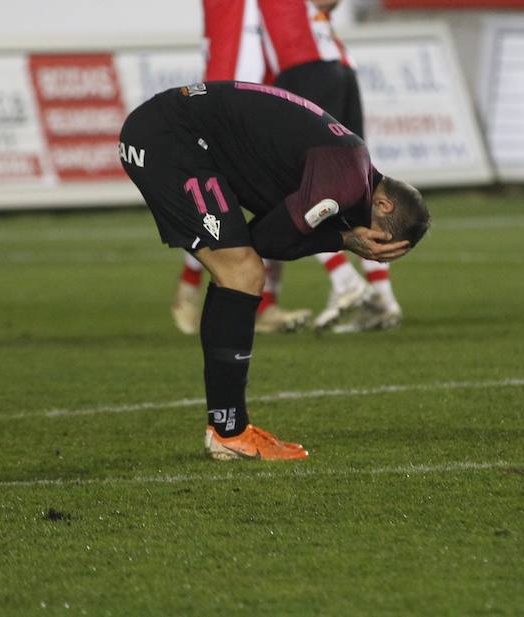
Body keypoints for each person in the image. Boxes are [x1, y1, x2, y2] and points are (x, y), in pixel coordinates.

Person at [118, 80, 431, 460]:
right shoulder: (345, 180)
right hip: (169, 138)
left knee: (239, 271)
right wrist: (344, 241)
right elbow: (267, 241)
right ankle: (229, 433)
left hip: (179, 133)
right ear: (383, 206)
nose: (370, 247)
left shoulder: (353, 167)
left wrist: (338, 237)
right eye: (378, 242)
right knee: (242, 271)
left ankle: (227, 428)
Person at [254, 0, 403, 334]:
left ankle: (344, 281)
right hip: (340, 66)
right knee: (355, 187)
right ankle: (382, 295)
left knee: (291, 186)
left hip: (305, 68)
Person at [173, 0, 314, 335]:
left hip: (267, 89)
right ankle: (190, 284)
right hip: (227, 91)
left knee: (279, 197)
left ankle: (265, 304)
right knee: (229, 201)